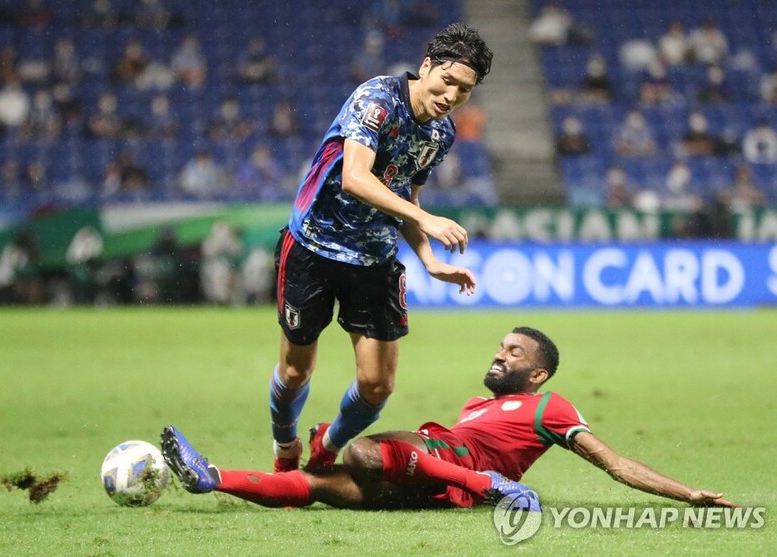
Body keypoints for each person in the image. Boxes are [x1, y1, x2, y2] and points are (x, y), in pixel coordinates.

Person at [161, 326, 737, 511]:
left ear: (538, 375)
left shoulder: (549, 408)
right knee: (313, 486)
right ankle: (213, 476)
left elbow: (613, 462)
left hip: (454, 469)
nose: (500, 353)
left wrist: (688, 494)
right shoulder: (476, 406)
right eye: (501, 345)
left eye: (515, 352)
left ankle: (487, 485)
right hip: (433, 478)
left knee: (360, 452)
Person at [267, 23, 492, 475]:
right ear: (426, 67)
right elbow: (355, 176)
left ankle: (325, 450)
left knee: (377, 385)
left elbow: (407, 200)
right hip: (313, 246)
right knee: (294, 372)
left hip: (374, 260)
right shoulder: (378, 100)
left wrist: (429, 260)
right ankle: (284, 446)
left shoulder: (440, 135)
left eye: (464, 91)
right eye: (447, 81)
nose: (451, 96)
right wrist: (426, 219)